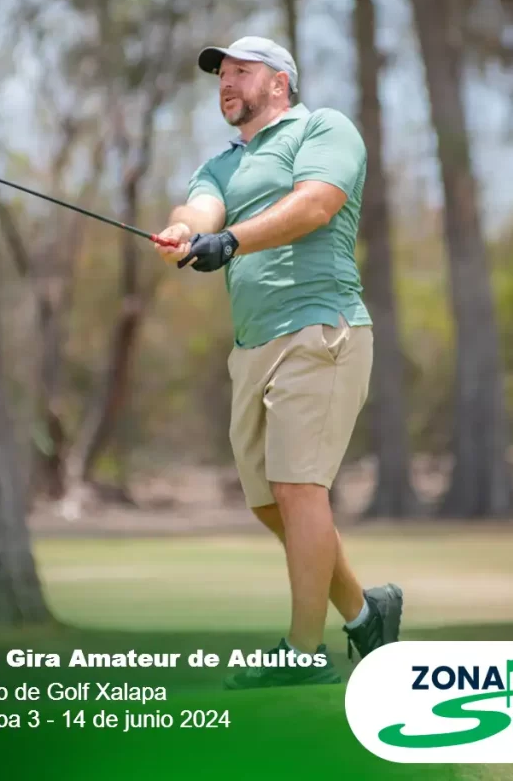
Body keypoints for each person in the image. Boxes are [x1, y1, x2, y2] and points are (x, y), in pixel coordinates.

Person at [155, 36, 402, 689]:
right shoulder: (222, 163)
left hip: (320, 328)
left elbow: (315, 203)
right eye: (220, 74)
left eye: (241, 71)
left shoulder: (322, 129)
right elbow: (200, 207)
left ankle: (302, 652)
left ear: (280, 82)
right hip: (251, 346)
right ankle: (364, 613)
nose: (226, 82)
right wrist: (185, 231)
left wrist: (229, 240)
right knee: (269, 501)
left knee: (297, 488)